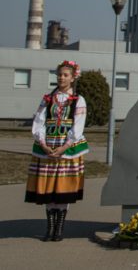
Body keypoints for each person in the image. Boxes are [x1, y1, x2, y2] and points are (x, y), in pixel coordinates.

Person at [24, 60, 89, 242]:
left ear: (73, 77)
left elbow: (78, 126)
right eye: (59, 74)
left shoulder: (78, 100)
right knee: (48, 189)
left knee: (62, 189)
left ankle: (59, 229)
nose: (61, 78)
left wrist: (64, 147)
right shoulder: (48, 98)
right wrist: (44, 144)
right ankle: (50, 228)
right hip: (48, 145)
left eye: (65, 75)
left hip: (67, 147)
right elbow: (39, 121)